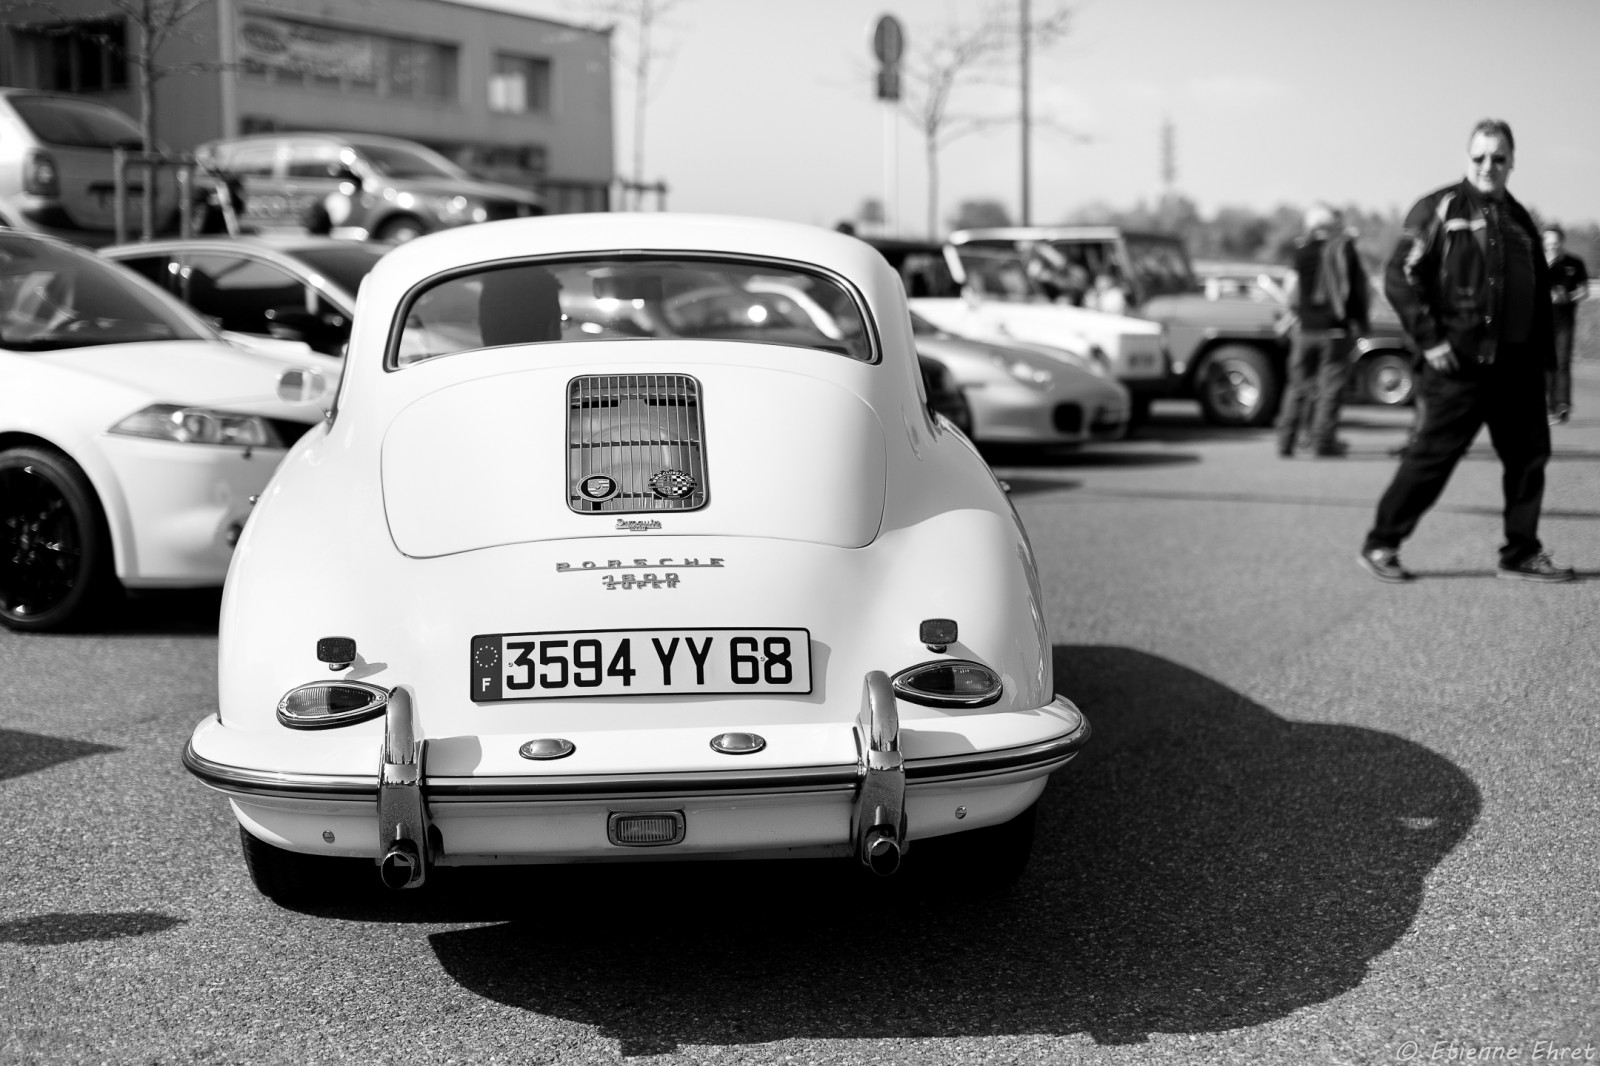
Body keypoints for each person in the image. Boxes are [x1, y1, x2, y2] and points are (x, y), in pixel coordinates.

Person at [1358, 118, 1574, 583]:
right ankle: (1381, 543)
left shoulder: (1521, 219)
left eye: (1498, 157)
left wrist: (1546, 367)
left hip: (1516, 367)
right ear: (1467, 158)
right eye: (1479, 157)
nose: (1488, 165)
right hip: (1458, 362)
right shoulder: (1439, 207)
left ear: (1512, 162)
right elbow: (1398, 276)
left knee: (1528, 460)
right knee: (1432, 458)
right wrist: (1431, 339)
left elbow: (1537, 294)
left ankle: (1521, 553)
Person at [1274, 204, 1369, 457]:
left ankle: (1285, 441)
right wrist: (1361, 324)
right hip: (1335, 332)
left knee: (1296, 387)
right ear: (1331, 225)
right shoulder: (1344, 250)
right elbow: (1358, 290)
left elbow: (1290, 291)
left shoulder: (1301, 252)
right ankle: (1323, 442)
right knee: (1330, 390)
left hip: (1305, 331)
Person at [1542, 222, 1589, 425]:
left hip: (1564, 322)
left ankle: (1562, 406)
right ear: (1543, 242)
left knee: (1562, 362)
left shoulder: (1574, 263)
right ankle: (1547, 406)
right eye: (1549, 242)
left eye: (1556, 242)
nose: (1552, 245)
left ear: (1562, 242)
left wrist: (1567, 297)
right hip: (1540, 322)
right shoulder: (1535, 262)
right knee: (1544, 364)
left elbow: (1584, 291)